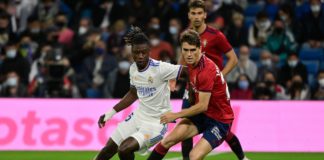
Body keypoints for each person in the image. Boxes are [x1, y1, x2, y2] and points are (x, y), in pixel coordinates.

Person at [94, 26, 183, 160]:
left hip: (156, 123)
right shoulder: (133, 69)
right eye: (136, 53)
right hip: (138, 117)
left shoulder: (161, 68)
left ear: (149, 51)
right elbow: (132, 94)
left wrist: (194, 89)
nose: (140, 56)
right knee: (106, 151)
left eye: (143, 52)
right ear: (132, 52)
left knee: (124, 150)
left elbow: (188, 71)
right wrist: (110, 113)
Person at [172, 1, 247, 160]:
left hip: (211, 89)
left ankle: (242, 157)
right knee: (186, 128)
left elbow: (233, 59)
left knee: (221, 129)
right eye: (193, 13)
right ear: (189, 15)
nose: (197, 17)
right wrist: (174, 79)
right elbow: (182, 59)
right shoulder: (186, 35)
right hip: (192, 88)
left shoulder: (216, 35)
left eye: (200, 13)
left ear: (205, 15)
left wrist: (219, 77)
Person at [147, 29, 234, 160]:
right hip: (202, 116)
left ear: (200, 49)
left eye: (192, 50)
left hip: (219, 120)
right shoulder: (191, 64)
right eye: (185, 50)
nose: (189, 54)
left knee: (193, 156)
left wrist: (175, 115)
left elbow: (202, 106)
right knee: (166, 142)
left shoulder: (206, 70)